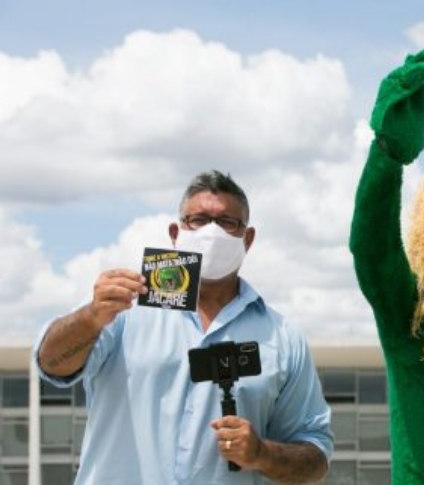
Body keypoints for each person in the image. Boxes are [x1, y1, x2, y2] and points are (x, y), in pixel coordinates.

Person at [34, 170, 333, 484]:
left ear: (248, 239)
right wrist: (90, 318)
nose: (212, 232)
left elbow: (315, 458)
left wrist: (262, 454)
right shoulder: (122, 306)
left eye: (227, 222)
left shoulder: (282, 338)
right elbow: (51, 363)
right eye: (199, 220)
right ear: (176, 233)